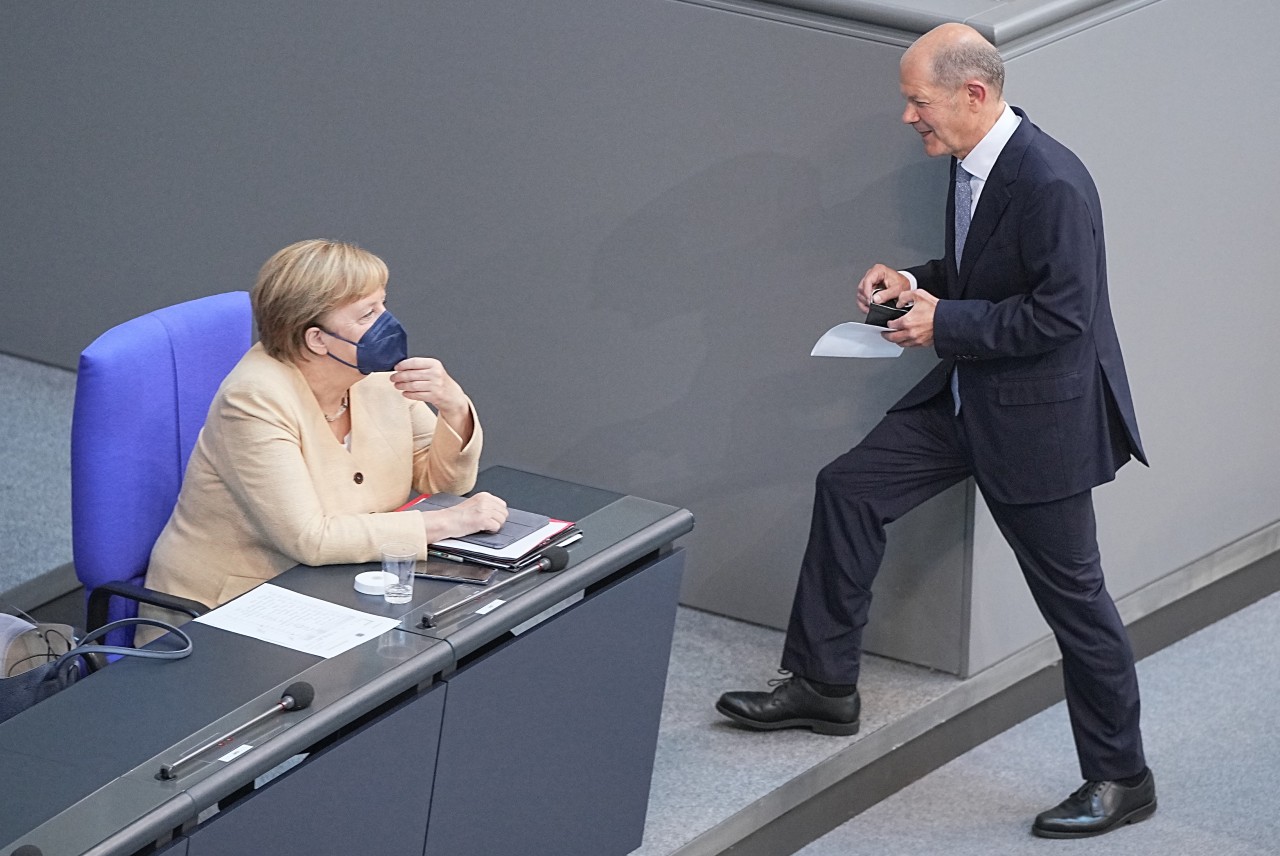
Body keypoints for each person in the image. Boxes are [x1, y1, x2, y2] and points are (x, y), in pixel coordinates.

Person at [716, 24, 1156, 839]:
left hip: (1038, 425)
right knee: (849, 488)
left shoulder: (1053, 181)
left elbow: (1063, 315)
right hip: (968, 399)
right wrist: (914, 282)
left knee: (1076, 606)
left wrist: (941, 321)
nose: (908, 118)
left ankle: (1122, 777)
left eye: (917, 101)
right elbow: (993, 273)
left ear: (973, 94)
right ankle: (823, 686)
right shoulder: (972, 161)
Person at [138, 239, 508, 642]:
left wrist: (453, 407)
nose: (388, 323)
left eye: (382, 305)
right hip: (229, 612)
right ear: (316, 339)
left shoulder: (379, 378)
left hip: (334, 588)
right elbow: (310, 539)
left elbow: (444, 485)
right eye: (368, 314)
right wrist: (446, 523)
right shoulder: (254, 400)